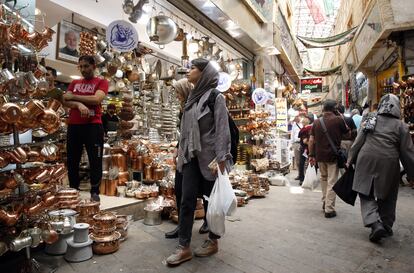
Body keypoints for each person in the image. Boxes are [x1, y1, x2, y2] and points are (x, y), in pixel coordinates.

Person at [166, 59, 232, 266]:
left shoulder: (215, 97)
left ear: (204, 73)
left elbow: (222, 129)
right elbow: (185, 130)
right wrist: (180, 151)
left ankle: (213, 240)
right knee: (186, 200)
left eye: (193, 68)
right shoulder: (191, 99)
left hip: (210, 159)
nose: (188, 71)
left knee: (210, 201)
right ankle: (183, 246)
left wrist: (221, 159)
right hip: (190, 157)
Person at [347, 94, 414, 243]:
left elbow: (359, 141)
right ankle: (386, 225)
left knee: (366, 192)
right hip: (389, 162)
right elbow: (407, 152)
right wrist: (411, 174)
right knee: (388, 195)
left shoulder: (371, 117)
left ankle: (375, 224)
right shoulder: (401, 126)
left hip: (366, 159)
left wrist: (350, 158)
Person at [62, 55, 108, 202]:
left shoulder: (101, 81)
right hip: (74, 126)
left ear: (94, 66)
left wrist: (74, 97)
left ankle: (95, 191)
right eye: (80, 66)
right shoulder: (74, 82)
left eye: (86, 66)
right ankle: (74, 189)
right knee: (72, 160)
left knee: (95, 159)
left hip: (93, 126)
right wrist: (79, 105)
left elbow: (96, 99)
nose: (83, 69)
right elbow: (65, 101)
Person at [308, 100, 349, 218]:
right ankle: (329, 209)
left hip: (320, 156)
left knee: (324, 179)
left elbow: (311, 140)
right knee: (332, 181)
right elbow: (347, 132)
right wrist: (340, 115)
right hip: (333, 155)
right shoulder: (338, 120)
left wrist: (311, 155)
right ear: (334, 109)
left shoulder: (316, 122)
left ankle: (325, 201)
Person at [165, 78, 193, 239]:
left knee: (195, 193)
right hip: (183, 154)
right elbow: (183, 134)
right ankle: (181, 227)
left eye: (178, 91)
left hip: (194, 156)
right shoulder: (183, 109)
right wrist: (177, 149)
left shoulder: (194, 107)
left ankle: (208, 224)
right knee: (180, 190)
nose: (176, 95)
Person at [297, 114, 314, 185]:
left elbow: (304, 141)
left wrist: (308, 144)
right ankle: (311, 179)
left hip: (305, 148)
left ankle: (302, 179)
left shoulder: (304, 129)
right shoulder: (313, 127)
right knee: (311, 163)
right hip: (312, 148)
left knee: (302, 163)